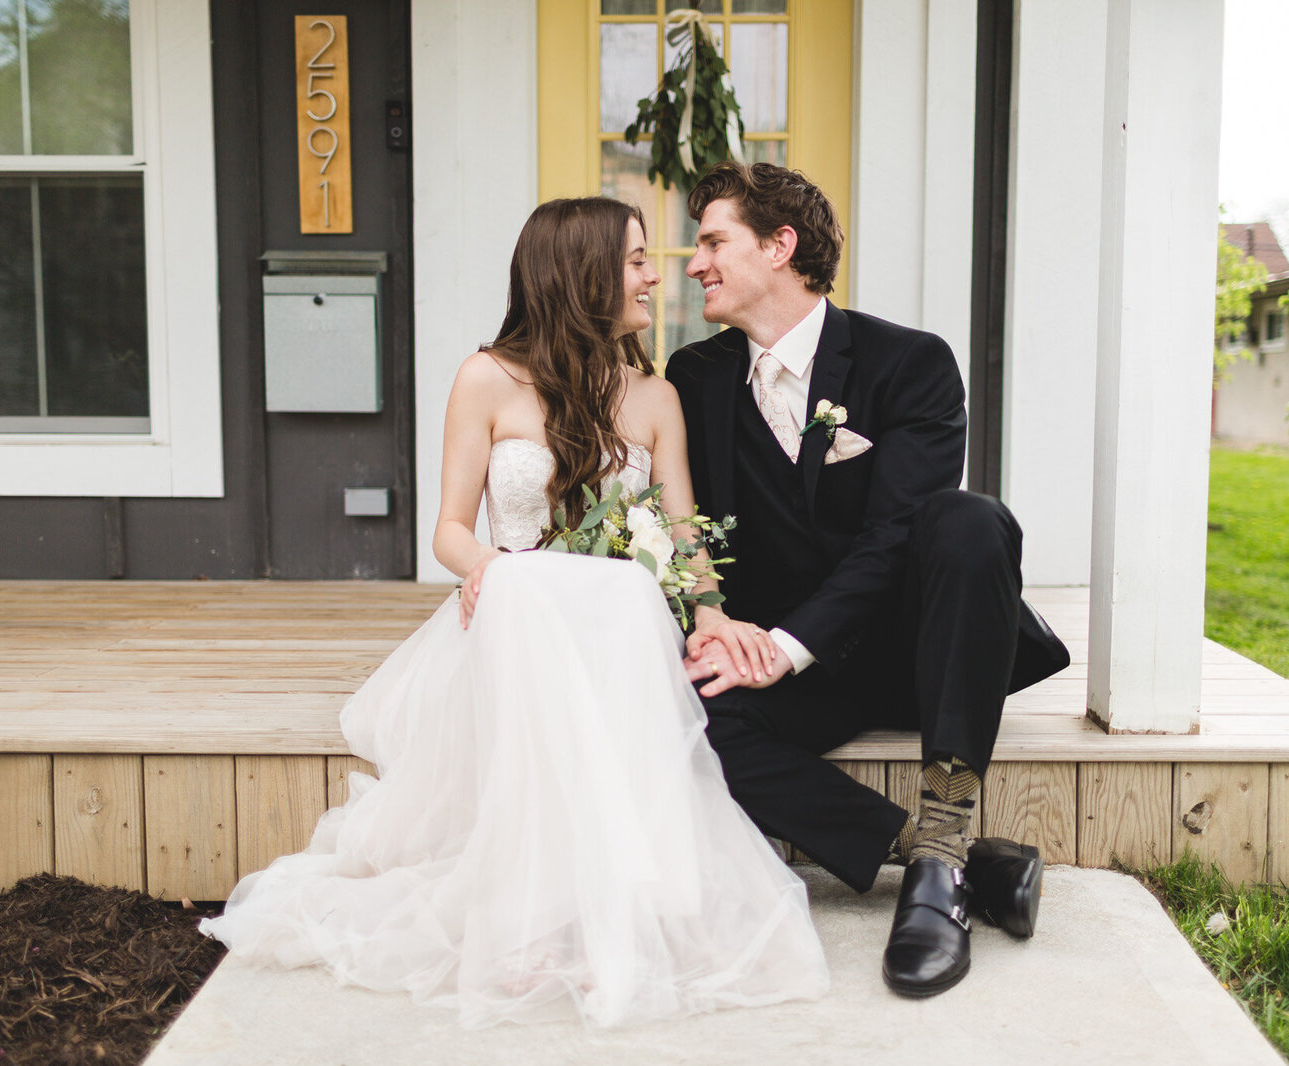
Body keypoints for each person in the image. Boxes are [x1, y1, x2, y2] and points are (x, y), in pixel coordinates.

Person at [199, 197, 829, 1029]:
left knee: (624, 600)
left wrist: (710, 614)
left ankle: (606, 913)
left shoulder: (654, 397)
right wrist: (496, 574)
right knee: (545, 604)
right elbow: (450, 534)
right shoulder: (486, 377)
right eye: (636, 260)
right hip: (515, 615)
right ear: (580, 273)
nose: (654, 275)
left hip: (613, 631)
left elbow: (682, 535)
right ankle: (536, 915)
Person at [664, 162, 1070, 998]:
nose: (694, 261)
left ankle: (947, 833)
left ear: (780, 246)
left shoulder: (910, 363)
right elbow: (689, 526)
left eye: (713, 240)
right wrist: (721, 628)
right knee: (683, 719)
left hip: (918, 647)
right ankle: (944, 858)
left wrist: (786, 646)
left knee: (968, 519)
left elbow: (893, 538)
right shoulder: (695, 377)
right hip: (801, 665)